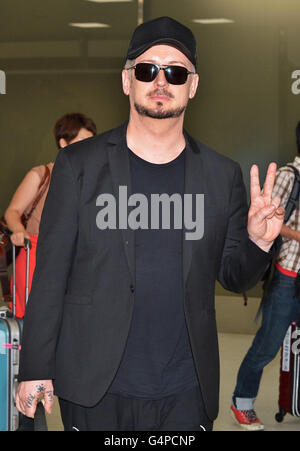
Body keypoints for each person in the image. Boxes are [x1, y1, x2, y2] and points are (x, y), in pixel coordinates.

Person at [16, 17, 284, 432]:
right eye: (147, 69)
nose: (161, 81)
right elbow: (50, 275)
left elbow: (234, 276)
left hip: (185, 390)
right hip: (94, 387)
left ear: (192, 86)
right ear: (127, 80)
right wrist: (34, 366)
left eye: (175, 72)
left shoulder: (220, 175)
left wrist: (257, 243)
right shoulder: (78, 166)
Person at [231, 121, 300, 431]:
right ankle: (242, 401)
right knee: (268, 345)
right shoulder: (289, 176)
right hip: (288, 275)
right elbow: (270, 222)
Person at [5, 112, 97, 319]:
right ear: (64, 143)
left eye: (91, 143)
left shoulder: (93, 182)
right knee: (32, 321)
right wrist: (19, 231)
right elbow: (13, 212)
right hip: (36, 254)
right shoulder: (42, 174)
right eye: (82, 142)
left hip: (75, 259)